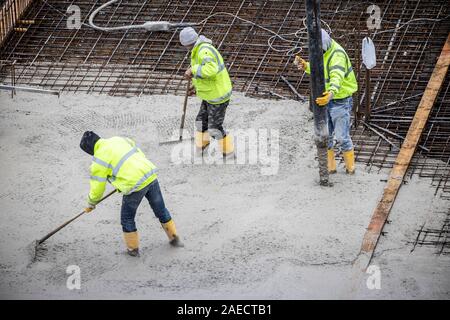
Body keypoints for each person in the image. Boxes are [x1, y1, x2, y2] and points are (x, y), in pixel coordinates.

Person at [79, 131, 182, 257]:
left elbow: (98, 188)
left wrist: (91, 202)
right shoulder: (117, 138)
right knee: (161, 210)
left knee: (127, 218)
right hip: (149, 174)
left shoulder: (98, 161)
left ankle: (133, 249)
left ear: (90, 150)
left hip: (134, 186)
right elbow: (137, 152)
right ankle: (174, 237)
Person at [296, 29, 358, 174]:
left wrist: (330, 93)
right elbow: (321, 69)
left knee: (342, 137)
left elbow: (336, 76)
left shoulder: (337, 55)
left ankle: (351, 169)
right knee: (327, 135)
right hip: (328, 100)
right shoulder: (324, 52)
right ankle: (331, 168)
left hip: (340, 101)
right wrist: (306, 66)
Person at [179, 27, 234, 157]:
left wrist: (193, 69)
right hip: (210, 94)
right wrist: (196, 88)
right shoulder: (197, 49)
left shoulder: (204, 51)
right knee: (201, 121)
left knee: (214, 127)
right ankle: (203, 143)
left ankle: (229, 151)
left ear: (186, 43)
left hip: (218, 96)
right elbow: (205, 75)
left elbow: (210, 70)